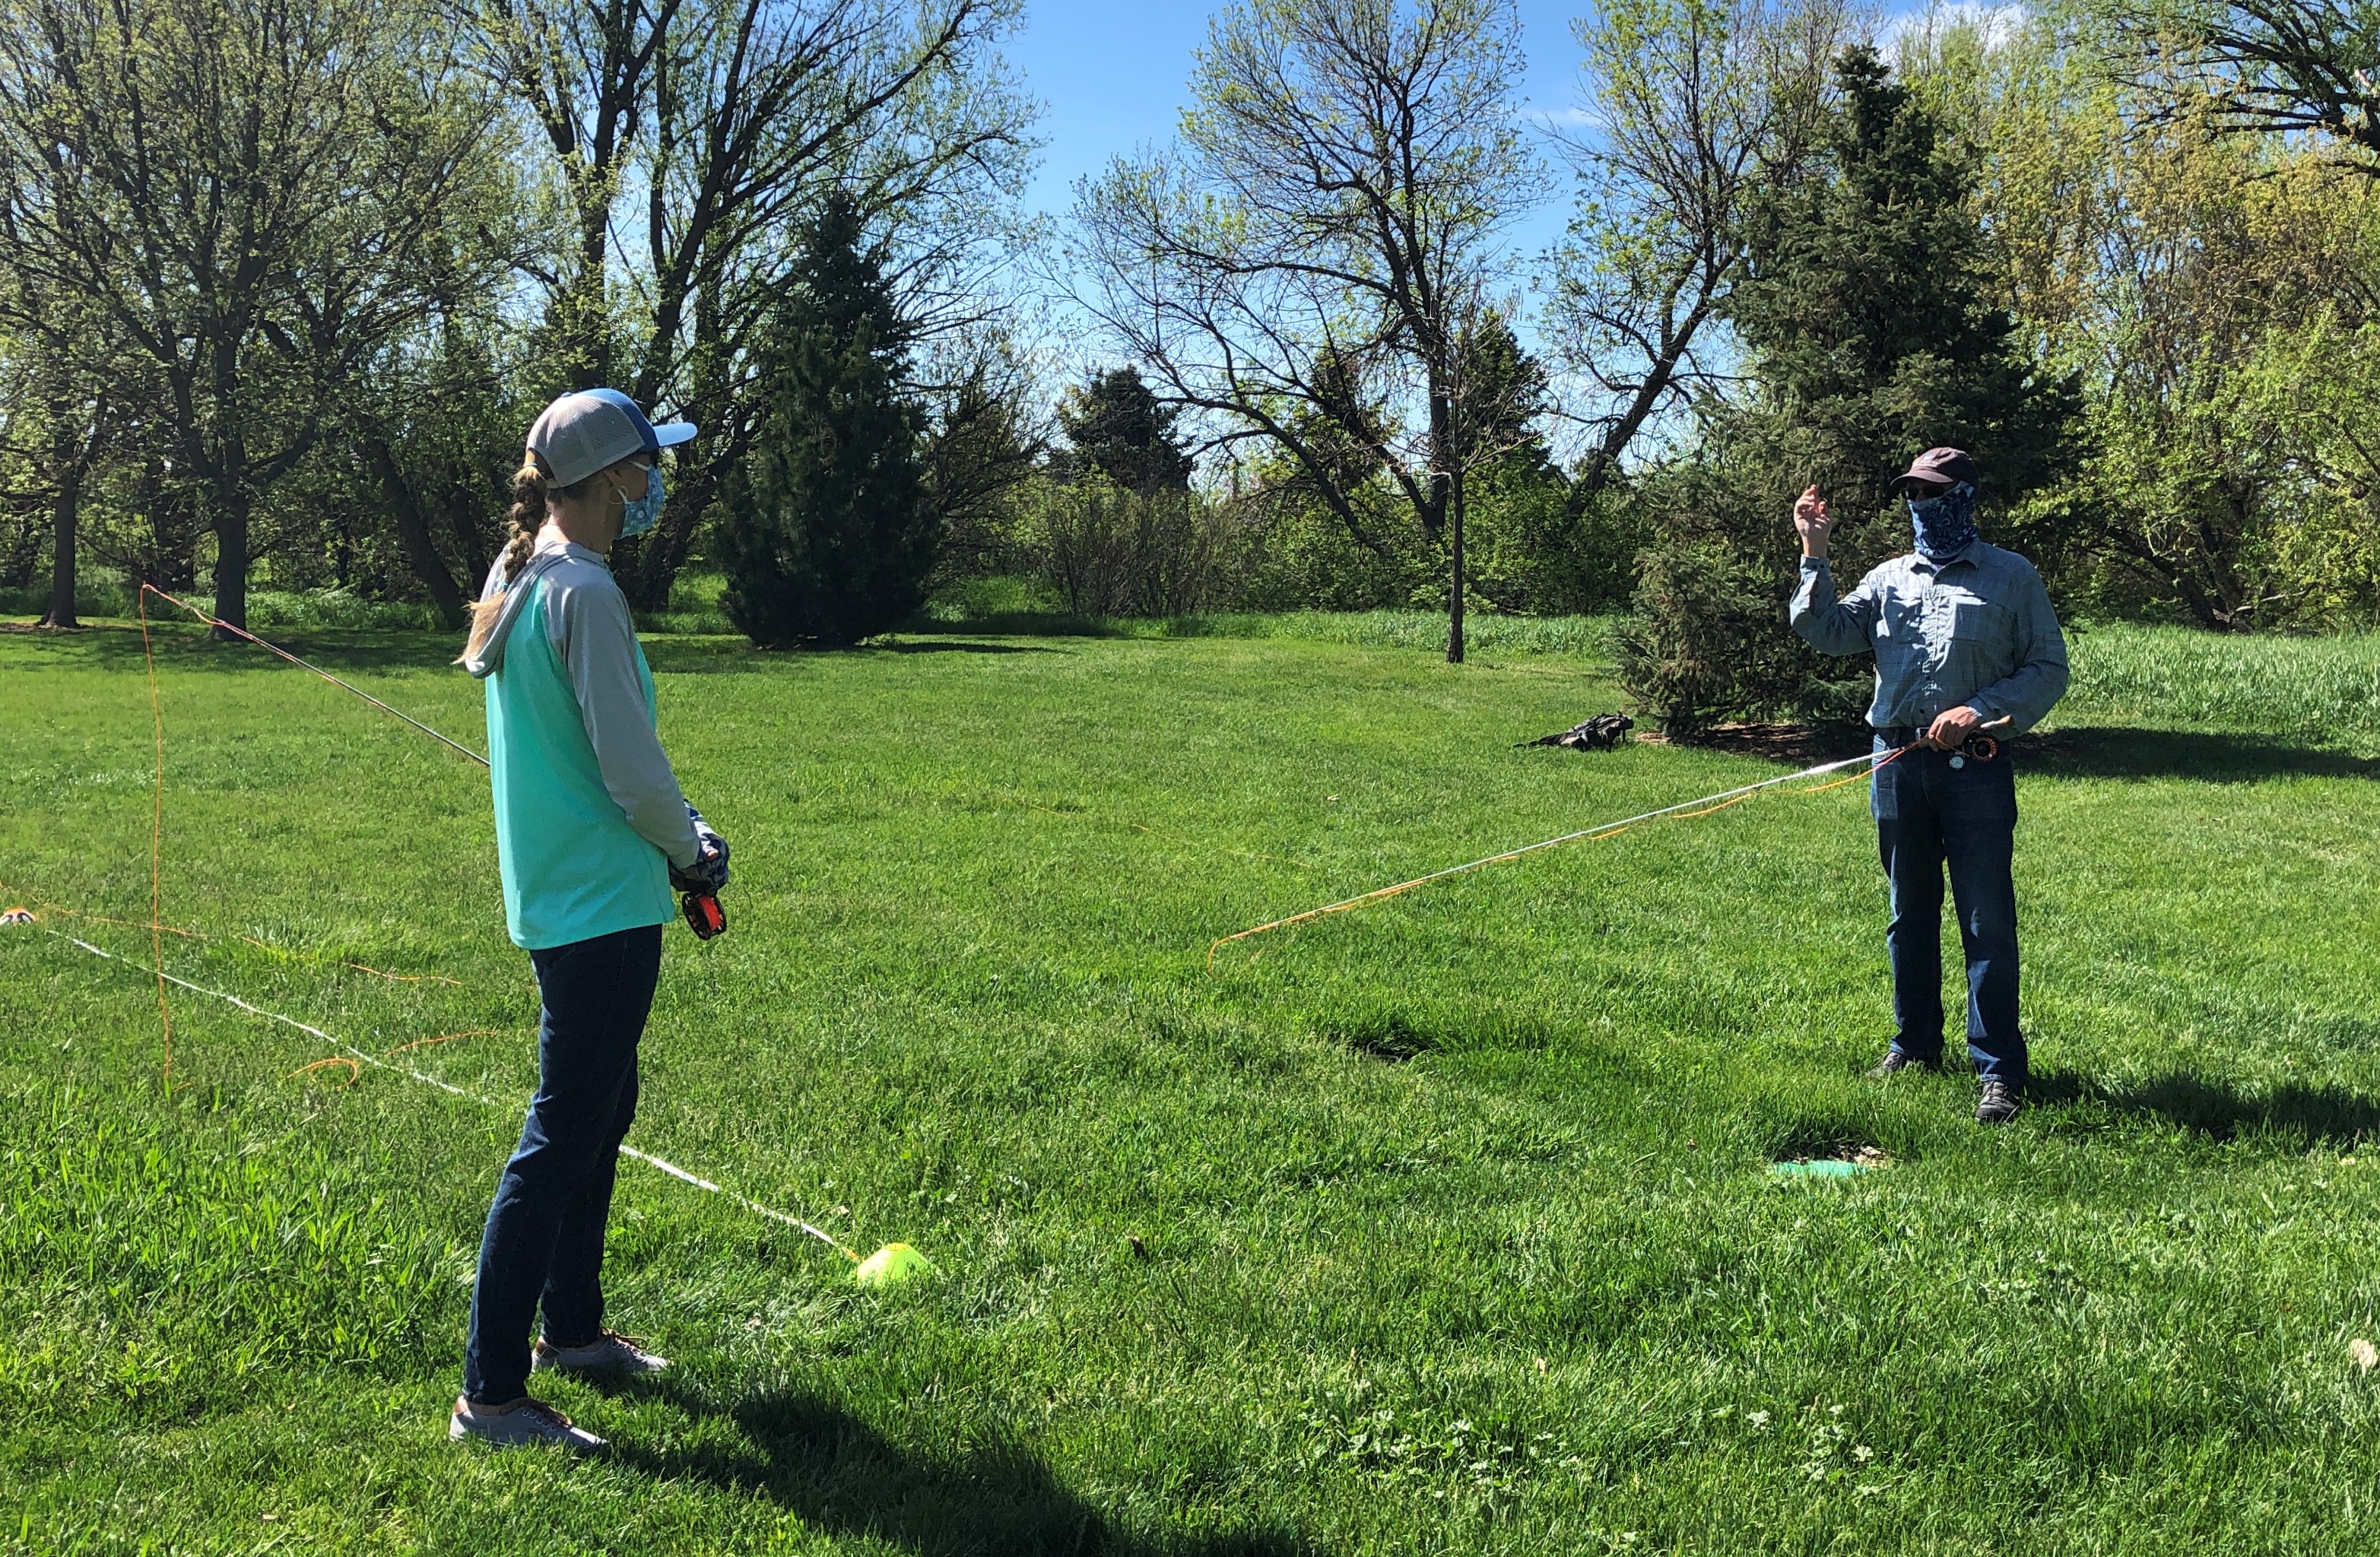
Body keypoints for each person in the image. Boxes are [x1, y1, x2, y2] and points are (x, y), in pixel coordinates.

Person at [447, 390, 730, 1451]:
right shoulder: (583, 592)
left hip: (560, 893)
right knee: (563, 1132)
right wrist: (692, 850)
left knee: (600, 1112)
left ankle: (571, 1334)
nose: (658, 480)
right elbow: (630, 770)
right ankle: (492, 1395)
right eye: (649, 464)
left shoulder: (518, 574)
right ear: (614, 477)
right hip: (599, 902)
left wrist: (668, 828)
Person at [1788, 447, 2068, 1124]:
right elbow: (1824, 631)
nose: (1922, 503)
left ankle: (1998, 1071)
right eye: (1912, 492)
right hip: (1897, 769)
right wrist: (1814, 552)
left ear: (1966, 497)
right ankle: (1914, 1047)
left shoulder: (2011, 577)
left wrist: (1982, 710)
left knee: (1986, 923)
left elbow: (2048, 667)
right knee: (1907, 916)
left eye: (1935, 492)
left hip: (1976, 771)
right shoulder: (1888, 578)